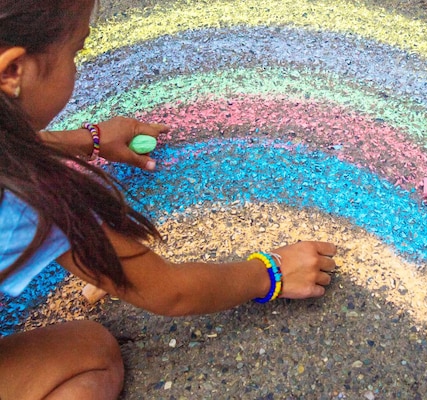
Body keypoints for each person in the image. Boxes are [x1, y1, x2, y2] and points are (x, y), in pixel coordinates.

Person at [0, 1, 337, 399]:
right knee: (91, 352)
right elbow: (169, 291)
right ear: (13, 71)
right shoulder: (27, 199)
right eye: (76, 50)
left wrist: (85, 139)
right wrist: (269, 273)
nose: (77, 63)